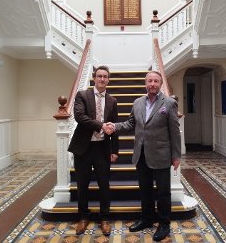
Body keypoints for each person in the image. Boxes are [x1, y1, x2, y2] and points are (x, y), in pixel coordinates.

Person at [106, 71, 181, 242]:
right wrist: (115, 126)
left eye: (156, 81)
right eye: (150, 81)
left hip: (161, 155)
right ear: (145, 83)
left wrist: (176, 155)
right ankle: (147, 219)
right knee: (145, 190)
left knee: (163, 192)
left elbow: (175, 132)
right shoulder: (138, 102)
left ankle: (164, 224)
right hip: (141, 154)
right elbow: (130, 123)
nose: (152, 84)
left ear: (160, 84)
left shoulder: (169, 103)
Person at [68, 65, 119, 236]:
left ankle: (104, 218)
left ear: (108, 79)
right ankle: (83, 217)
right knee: (82, 185)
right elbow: (80, 117)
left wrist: (115, 150)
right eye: (99, 76)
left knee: (104, 185)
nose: (102, 79)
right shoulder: (82, 95)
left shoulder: (112, 101)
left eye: (105, 76)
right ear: (94, 78)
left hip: (102, 148)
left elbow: (114, 127)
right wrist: (101, 126)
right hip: (83, 147)